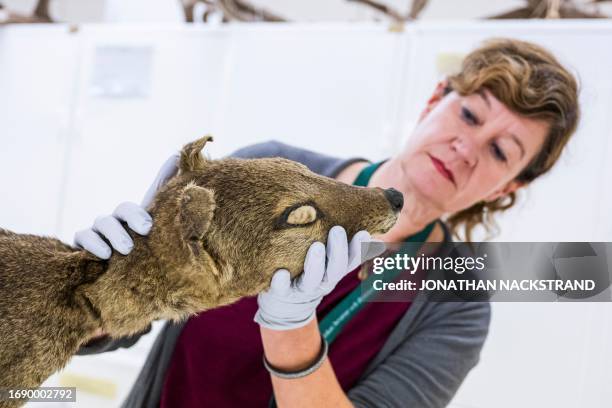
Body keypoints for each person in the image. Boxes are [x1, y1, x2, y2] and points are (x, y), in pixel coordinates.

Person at [74, 38, 579, 407]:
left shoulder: (457, 303)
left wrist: (291, 330)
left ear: (507, 187)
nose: (466, 147)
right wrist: (102, 285)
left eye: (499, 150)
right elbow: (124, 321)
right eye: (469, 116)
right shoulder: (265, 168)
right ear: (433, 101)